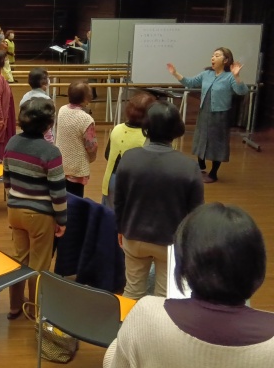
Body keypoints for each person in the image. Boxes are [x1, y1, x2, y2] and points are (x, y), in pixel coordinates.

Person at [103, 203, 274, 368]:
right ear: (258, 266)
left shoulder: (145, 315)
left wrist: (123, 341)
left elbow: (115, 363)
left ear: (184, 266)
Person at [115, 101, 204, 299]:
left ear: (146, 126)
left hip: (133, 235)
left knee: (132, 292)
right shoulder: (189, 167)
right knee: (165, 297)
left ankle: (128, 320)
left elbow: (119, 200)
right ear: (176, 129)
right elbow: (196, 213)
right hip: (170, 241)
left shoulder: (128, 158)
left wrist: (120, 228)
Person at [3, 97, 66, 319]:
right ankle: (36, 311)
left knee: (19, 259)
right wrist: (62, 219)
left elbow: (7, 180)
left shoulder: (11, 143)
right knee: (39, 264)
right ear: (48, 124)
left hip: (14, 210)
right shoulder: (50, 152)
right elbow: (58, 191)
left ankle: (14, 306)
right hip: (40, 215)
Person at [167, 47, 248, 183]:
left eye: (217, 55)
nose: (213, 58)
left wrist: (237, 76)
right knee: (201, 138)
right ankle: (201, 166)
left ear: (226, 60)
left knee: (217, 143)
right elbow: (190, 82)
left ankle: (213, 173)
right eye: (212, 55)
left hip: (220, 115)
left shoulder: (230, 77)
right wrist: (175, 73)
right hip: (204, 112)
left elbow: (242, 91)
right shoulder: (206, 74)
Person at [101, 92, 155, 208]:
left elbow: (107, 155)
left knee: (110, 214)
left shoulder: (117, 129)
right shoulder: (148, 137)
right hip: (134, 184)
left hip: (111, 180)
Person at [55, 81, 98, 197]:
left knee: (62, 197)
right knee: (76, 199)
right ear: (85, 99)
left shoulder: (62, 110)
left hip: (61, 163)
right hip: (77, 168)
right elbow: (91, 146)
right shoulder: (86, 119)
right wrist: (91, 158)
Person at [19, 67, 54, 143]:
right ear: (43, 83)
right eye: (47, 78)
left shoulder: (25, 97)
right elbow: (49, 122)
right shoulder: (47, 100)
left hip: (27, 135)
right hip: (44, 137)